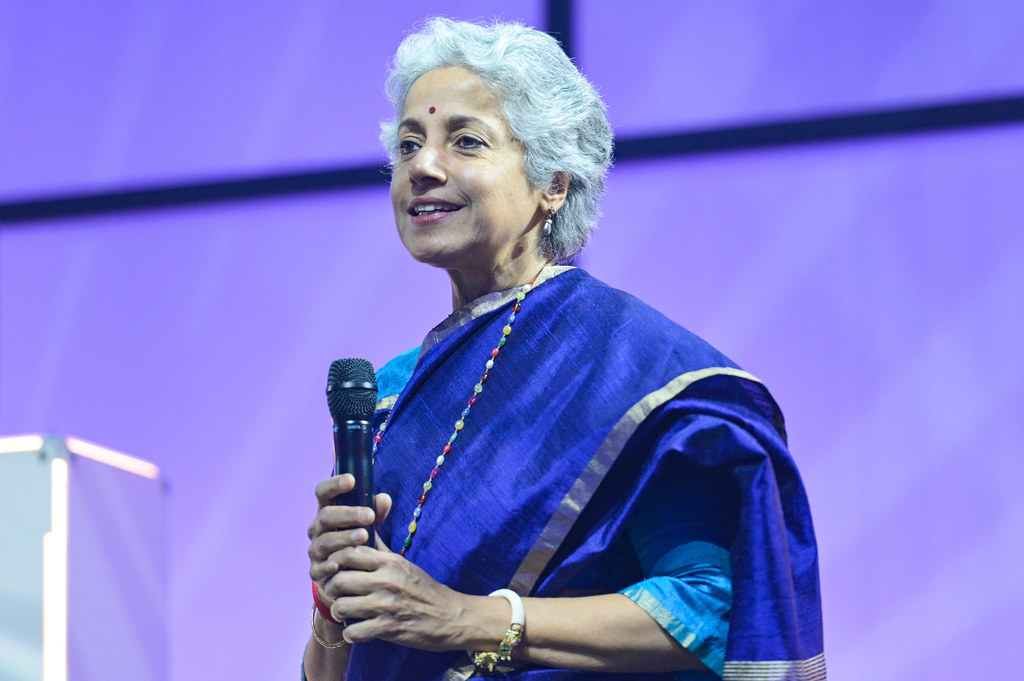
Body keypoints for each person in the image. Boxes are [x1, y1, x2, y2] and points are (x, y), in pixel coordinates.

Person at [304, 17, 824, 681]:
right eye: (409, 145)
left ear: (554, 183)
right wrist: (333, 608)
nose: (423, 167)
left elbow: (710, 608)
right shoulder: (393, 392)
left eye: (465, 141)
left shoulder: (631, 371)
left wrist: (468, 617)